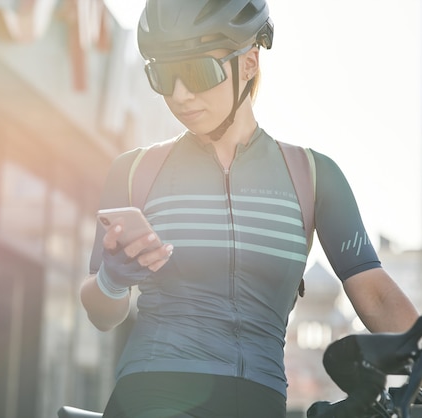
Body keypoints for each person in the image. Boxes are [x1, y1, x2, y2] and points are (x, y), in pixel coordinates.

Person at [79, 1, 420, 417]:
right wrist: (113, 280)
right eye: (163, 76)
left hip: (258, 400)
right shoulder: (134, 171)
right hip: (152, 390)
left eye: (199, 72)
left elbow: (378, 295)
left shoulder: (312, 176)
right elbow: (100, 313)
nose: (180, 95)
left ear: (249, 63)